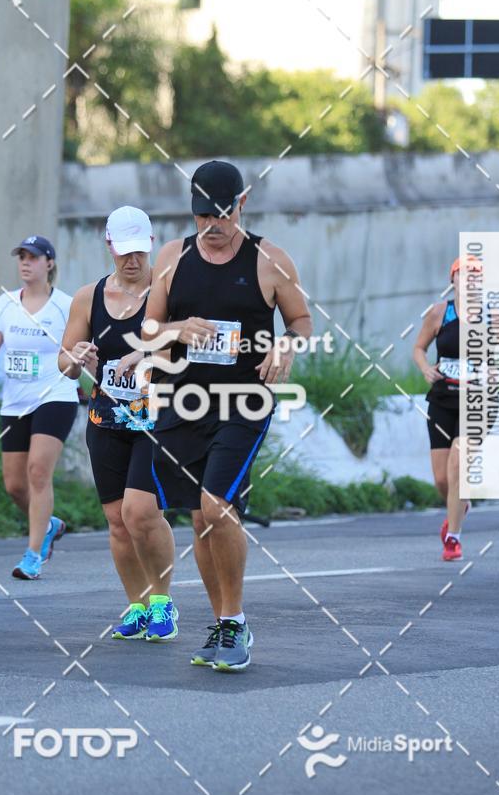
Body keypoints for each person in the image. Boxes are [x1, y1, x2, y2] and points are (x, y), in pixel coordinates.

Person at [143, 160, 312, 671]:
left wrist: (286, 344)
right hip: (184, 401)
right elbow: (149, 328)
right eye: (201, 217)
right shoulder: (173, 257)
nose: (211, 226)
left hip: (244, 402)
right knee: (199, 517)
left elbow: (302, 320)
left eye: (220, 214)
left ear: (241, 204)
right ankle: (221, 625)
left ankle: (236, 623)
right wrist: (177, 330)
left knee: (216, 505)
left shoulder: (269, 260)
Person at [58, 206, 177, 642]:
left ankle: (163, 602)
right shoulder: (88, 297)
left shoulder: (166, 293)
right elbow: (65, 362)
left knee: (141, 511)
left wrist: (148, 357)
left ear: (150, 244)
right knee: (116, 519)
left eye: (140, 251)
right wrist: (77, 360)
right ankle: (138, 604)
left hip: (156, 418)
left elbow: (182, 348)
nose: (132, 260)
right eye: (123, 251)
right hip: (104, 417)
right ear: (109, 246)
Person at [413, 255, 499, 561]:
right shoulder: (439, 313)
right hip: (443, 397)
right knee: (442, 480)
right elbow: (418, 348)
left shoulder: (493, 317)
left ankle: (454, 538)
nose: (469, 282)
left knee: (459, 463)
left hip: (479, 400)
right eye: (463, 275)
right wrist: (424, 368)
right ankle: (459, 506)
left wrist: (498, 369)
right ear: (453, 280)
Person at [0, 236, 78, 580]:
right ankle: (48, 524)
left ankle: (32, 555)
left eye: (33, 257)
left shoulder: (66, 306)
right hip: (15, 401)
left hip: (55, 395)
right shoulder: (6, 302)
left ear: (50, 263)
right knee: (14, 485)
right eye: (22, 257)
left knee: (38, 471)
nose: (26, 263)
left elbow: (76, 351)